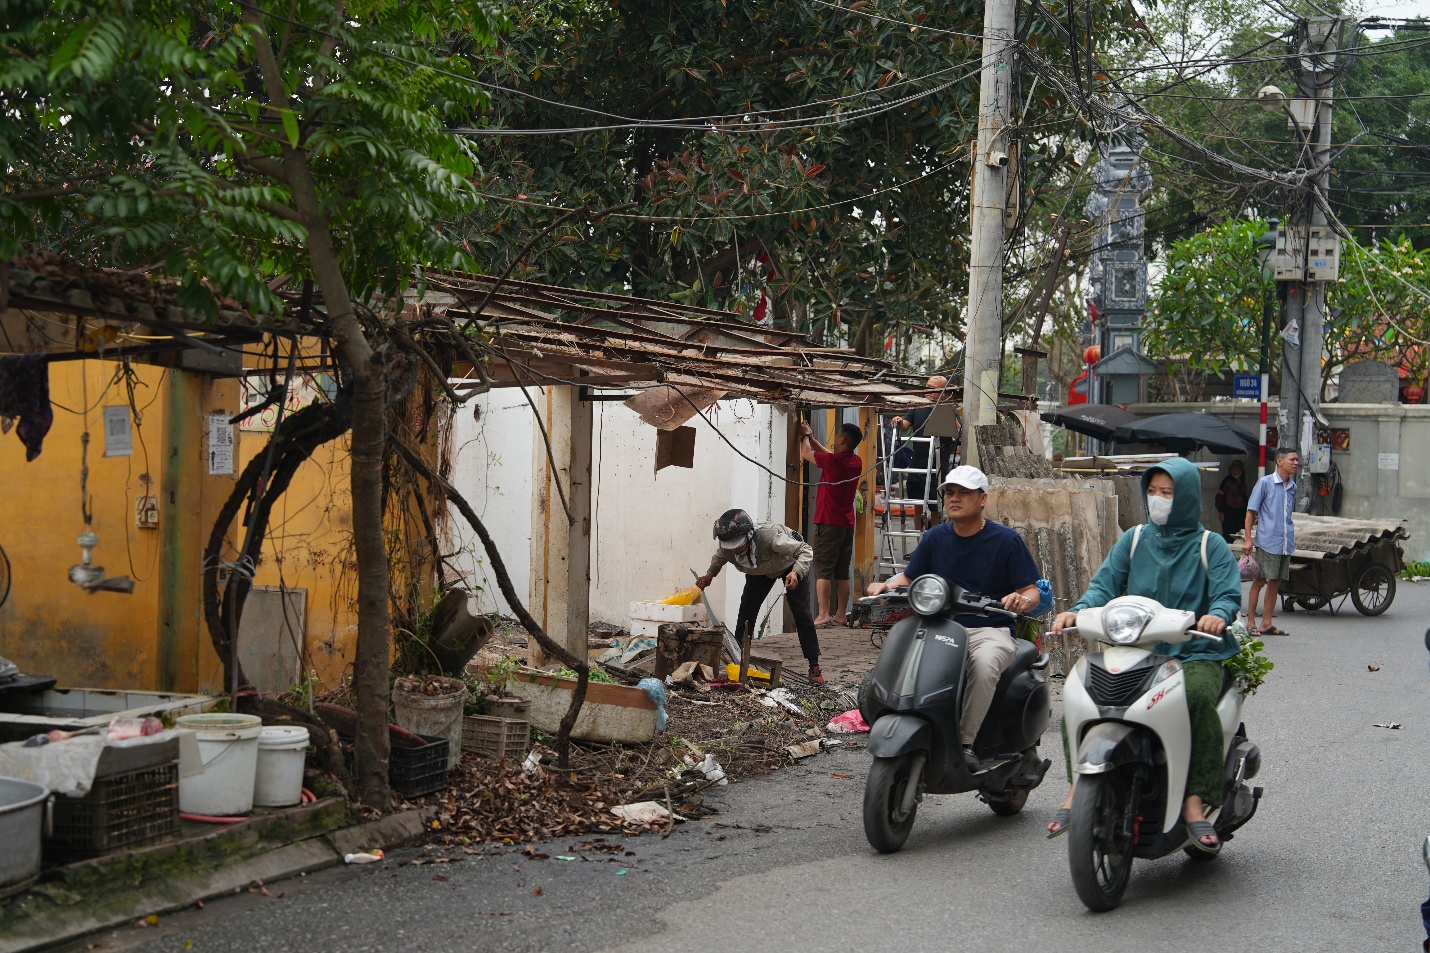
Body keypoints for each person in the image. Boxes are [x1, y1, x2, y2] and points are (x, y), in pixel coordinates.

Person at [1046, 458, 1242, 849]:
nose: (1158, 500)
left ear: (1184, 496)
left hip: (1195, 653)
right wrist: (1079, 611)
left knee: (1197, 699)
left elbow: (1226, 594)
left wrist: (1216, 616)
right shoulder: (1134, 539)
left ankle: (1193, 803)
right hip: (1137, 649)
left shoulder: (1210, 545)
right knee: (1081, 694)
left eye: (1167, 493)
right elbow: (1104, 585)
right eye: (1152, 491)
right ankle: (1076, 789)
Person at [866, 466, 1041, 770]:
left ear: (983, 498)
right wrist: (884, 586)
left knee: (985, 665)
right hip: (935, 626)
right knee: (897, 657)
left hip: (988, 629)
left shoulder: (1006, 541)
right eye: (949, 492)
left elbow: (1031, 590)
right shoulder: (935, 537)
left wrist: (1021, 600)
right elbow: (908, 578)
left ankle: (965, 742)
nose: (954, 498)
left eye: (963, 492)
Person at [694, 509, 825, 684]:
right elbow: (720, 556)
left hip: (788, 564)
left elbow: (805, 550)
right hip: (759, 570)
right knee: (746, 612)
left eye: (737, 545)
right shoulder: (728, 545)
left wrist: (796, 573)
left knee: (801, 612)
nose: (734, 550)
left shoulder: (771, 539)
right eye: (730, 546)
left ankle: (814, 666)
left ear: (748, 538)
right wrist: (710, 574)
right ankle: (739, 660)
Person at [797, 420, 864, 627]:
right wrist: (815, 439)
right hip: (846, 523)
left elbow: (806, 455)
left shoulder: (834, 463)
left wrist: (805, 435)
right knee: (842, 572)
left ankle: (823, 614)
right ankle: (841, 614)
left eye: (837, 436)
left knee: (823, 571)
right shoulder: (856, 461)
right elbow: (829, 456)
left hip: (828, 521)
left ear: (842, 440)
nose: (835, 439)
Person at [1243, 447, 1299, 637]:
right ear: (1279, 462)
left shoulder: (1293, 487)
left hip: (1285, 542)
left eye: (1296, 460)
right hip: (1267, 541)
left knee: (1275, 582)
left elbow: (1287, 515)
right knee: (1260, 581)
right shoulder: (1265, 483)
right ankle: (1250, 622)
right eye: (1292, 459)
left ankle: (1267, 623)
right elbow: (1251, 511)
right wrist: (1249, 539)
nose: (1295, 463)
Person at [888, 375, 958, 522]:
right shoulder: (917, 406)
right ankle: (920, 542)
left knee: (935, 509)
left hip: (936, 469)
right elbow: (905, 425)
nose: (927, 391)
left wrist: (948, 411)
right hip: (917, 466)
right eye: (926, 387)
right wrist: (898, 421)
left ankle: (934, 541)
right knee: (918, 508)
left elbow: (960, 434)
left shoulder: (947, 409)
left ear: (943, 392)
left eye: (932, 389)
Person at [1215, 459, 1249, 543]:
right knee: (1229, 533)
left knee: (1240, 532)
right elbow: (1219, 497)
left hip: (1241, 511)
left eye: (1237, 469)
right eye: (1233, 469)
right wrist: (1220, 511)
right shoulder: (1227, 481)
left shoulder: (1242, 480)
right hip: (1229, 511)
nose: (1235, 472)